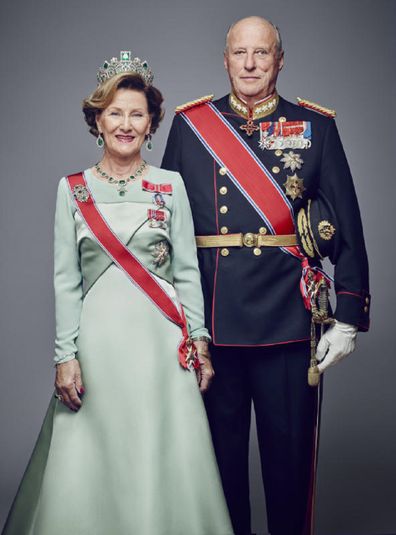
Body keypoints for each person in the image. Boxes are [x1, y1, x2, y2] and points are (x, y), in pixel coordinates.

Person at [2, 51, 233, 535]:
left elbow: (188, 272)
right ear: (97, 120)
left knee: (160, 450)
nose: (125, 124)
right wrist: (65, 355)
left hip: (162, 346)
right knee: (94, 457)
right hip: (99, 345)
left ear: (151, 124)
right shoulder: (74, 189)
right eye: (115, 112)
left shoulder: (170, 186)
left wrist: (202, 343)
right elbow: (66, 280)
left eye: (137, 114)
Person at [162, 16, 370, 535]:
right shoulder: (191, 127)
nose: (250, 64)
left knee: (290, 470)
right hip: (214, 327)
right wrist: (170, 320)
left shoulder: (316, 127)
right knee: (217, 474)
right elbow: (163, 230)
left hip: (290, 326)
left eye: (261, 53)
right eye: (240, 53)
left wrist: (347, 318)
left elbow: (348, 224)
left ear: (280, 60)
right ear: (225, 59)